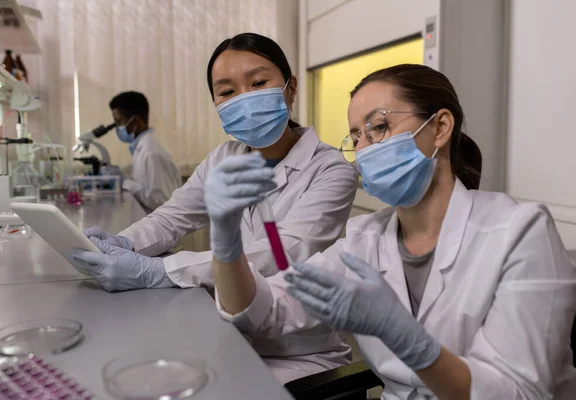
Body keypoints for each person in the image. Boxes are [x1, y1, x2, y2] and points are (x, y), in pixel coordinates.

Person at [208, 64, 576, 396]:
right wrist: (225, 241)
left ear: (440, 127)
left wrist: (407, 338)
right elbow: (265, 311)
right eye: (356, 138)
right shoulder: (364, 239)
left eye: (379, 127)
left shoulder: (521, 232)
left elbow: (520, 393)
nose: (365, 150)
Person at [69, 33, 358, 304]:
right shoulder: (223, 157)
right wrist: (125, 242)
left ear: (291, 87)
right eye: (228, 91)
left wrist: (160, 270)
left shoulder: (330, 169)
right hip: (227, 315)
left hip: (297, 343)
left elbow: (283, 251)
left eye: (258, 83)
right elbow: (172, 218)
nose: (244, 99)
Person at [109, 91, 182, 212]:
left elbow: (162, 200)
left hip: (161, 228)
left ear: (136, 121)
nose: (117, 128)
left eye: (120, 122)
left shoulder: (152, 152)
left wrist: (125, 183)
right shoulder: (142, 148)